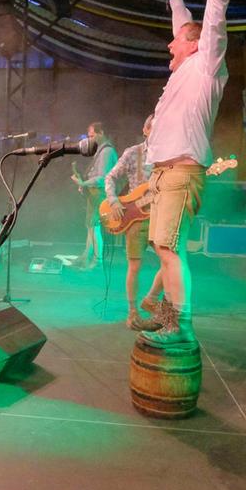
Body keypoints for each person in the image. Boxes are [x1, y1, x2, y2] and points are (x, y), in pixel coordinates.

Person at [142, 0, 239, 345]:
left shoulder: (206, 68)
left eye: (177, 40)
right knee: (163, 250)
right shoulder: (186, 68)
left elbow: (213, 18)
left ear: (196, 46)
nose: (169, 43)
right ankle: (166, 318)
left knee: (170, 249)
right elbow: (184, 25)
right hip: (165, 174)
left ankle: (177, 326)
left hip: (181, 173)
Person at [104, 114, 167, 331]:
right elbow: (110, 177)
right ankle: (132, 313)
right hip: (136, 219)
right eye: (155, 127)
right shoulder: (133, 153)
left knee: (171, 262)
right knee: (135, 266)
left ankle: (150, 298)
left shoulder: (168, 156)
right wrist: (113, 201)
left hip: (160, 216)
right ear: (146, 129)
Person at [71, 122, 118, 269]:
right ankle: (87, 255)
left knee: (95, 226)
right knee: (91, 226)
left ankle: (98, 261)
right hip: (95, 193)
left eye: (92, 136)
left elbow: (102, 178)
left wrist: (84, 183)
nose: (90, 139)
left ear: (101, 133)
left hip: (100, 193)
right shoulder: (101, 150)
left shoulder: (107, 152)